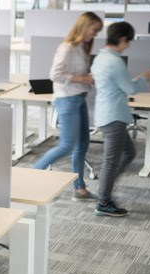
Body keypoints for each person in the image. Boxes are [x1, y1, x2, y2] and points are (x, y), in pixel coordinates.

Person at [33, 11, 103, 201]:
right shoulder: (67, 47)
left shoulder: (81, 47)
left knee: (82, 144)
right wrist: (82, 78)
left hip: (79, 97)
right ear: (84, 26)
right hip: (66, 100)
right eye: (94, 29)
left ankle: (79, 188)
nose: (95, 34)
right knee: (66, 145)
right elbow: (54, 74)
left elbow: (76, 73)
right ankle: (31, 175)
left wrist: (91, 78)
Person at [90, 22, 150, 217]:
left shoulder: (100, 58)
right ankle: (103, 201)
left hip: (106, 113)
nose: (128, 45)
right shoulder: (115, 62)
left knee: (128, 153)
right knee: (111, 161)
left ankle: (105, 191)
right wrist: (144, 77)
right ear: (122, 39)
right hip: (113, 117)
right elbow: (131, 89)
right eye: (128, 42)